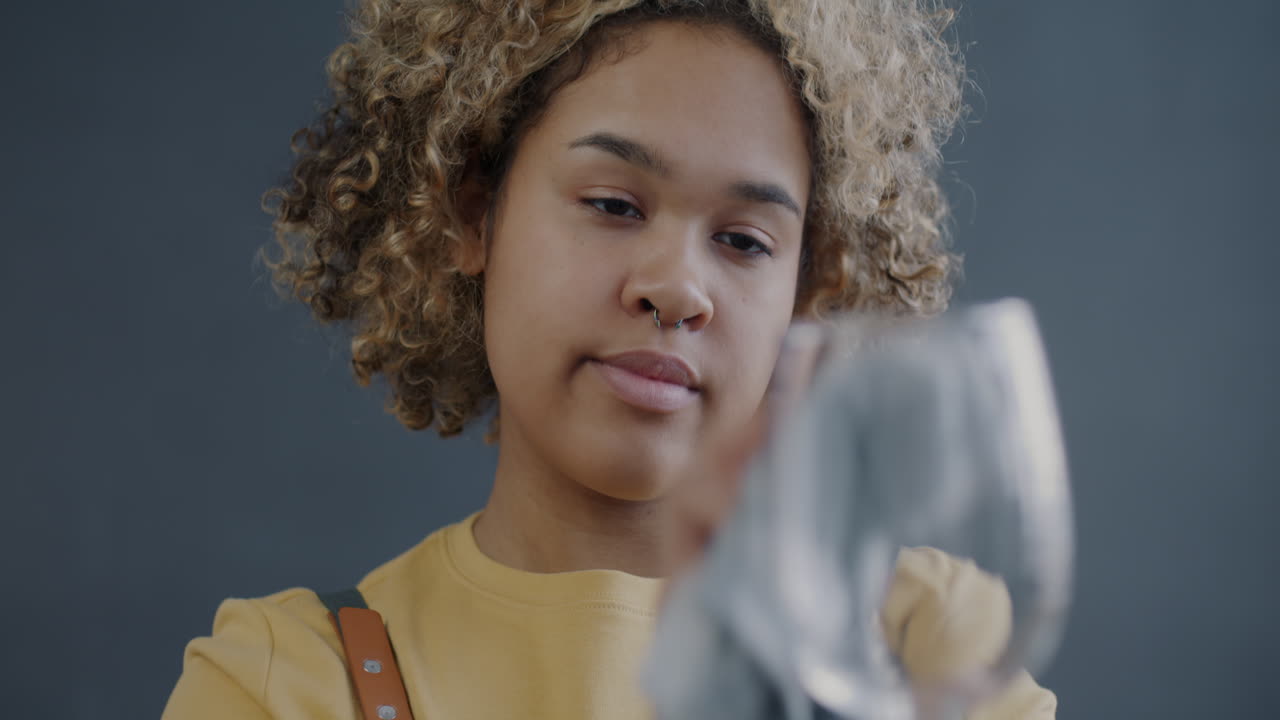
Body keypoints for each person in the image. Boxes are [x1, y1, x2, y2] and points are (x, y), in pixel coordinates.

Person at [162, 1, 1057, 718]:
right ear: (473, 214)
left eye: (745, 241)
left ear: (812, 287)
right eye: (613, 205)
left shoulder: (927, 645)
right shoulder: (281, 686)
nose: (676, 288)